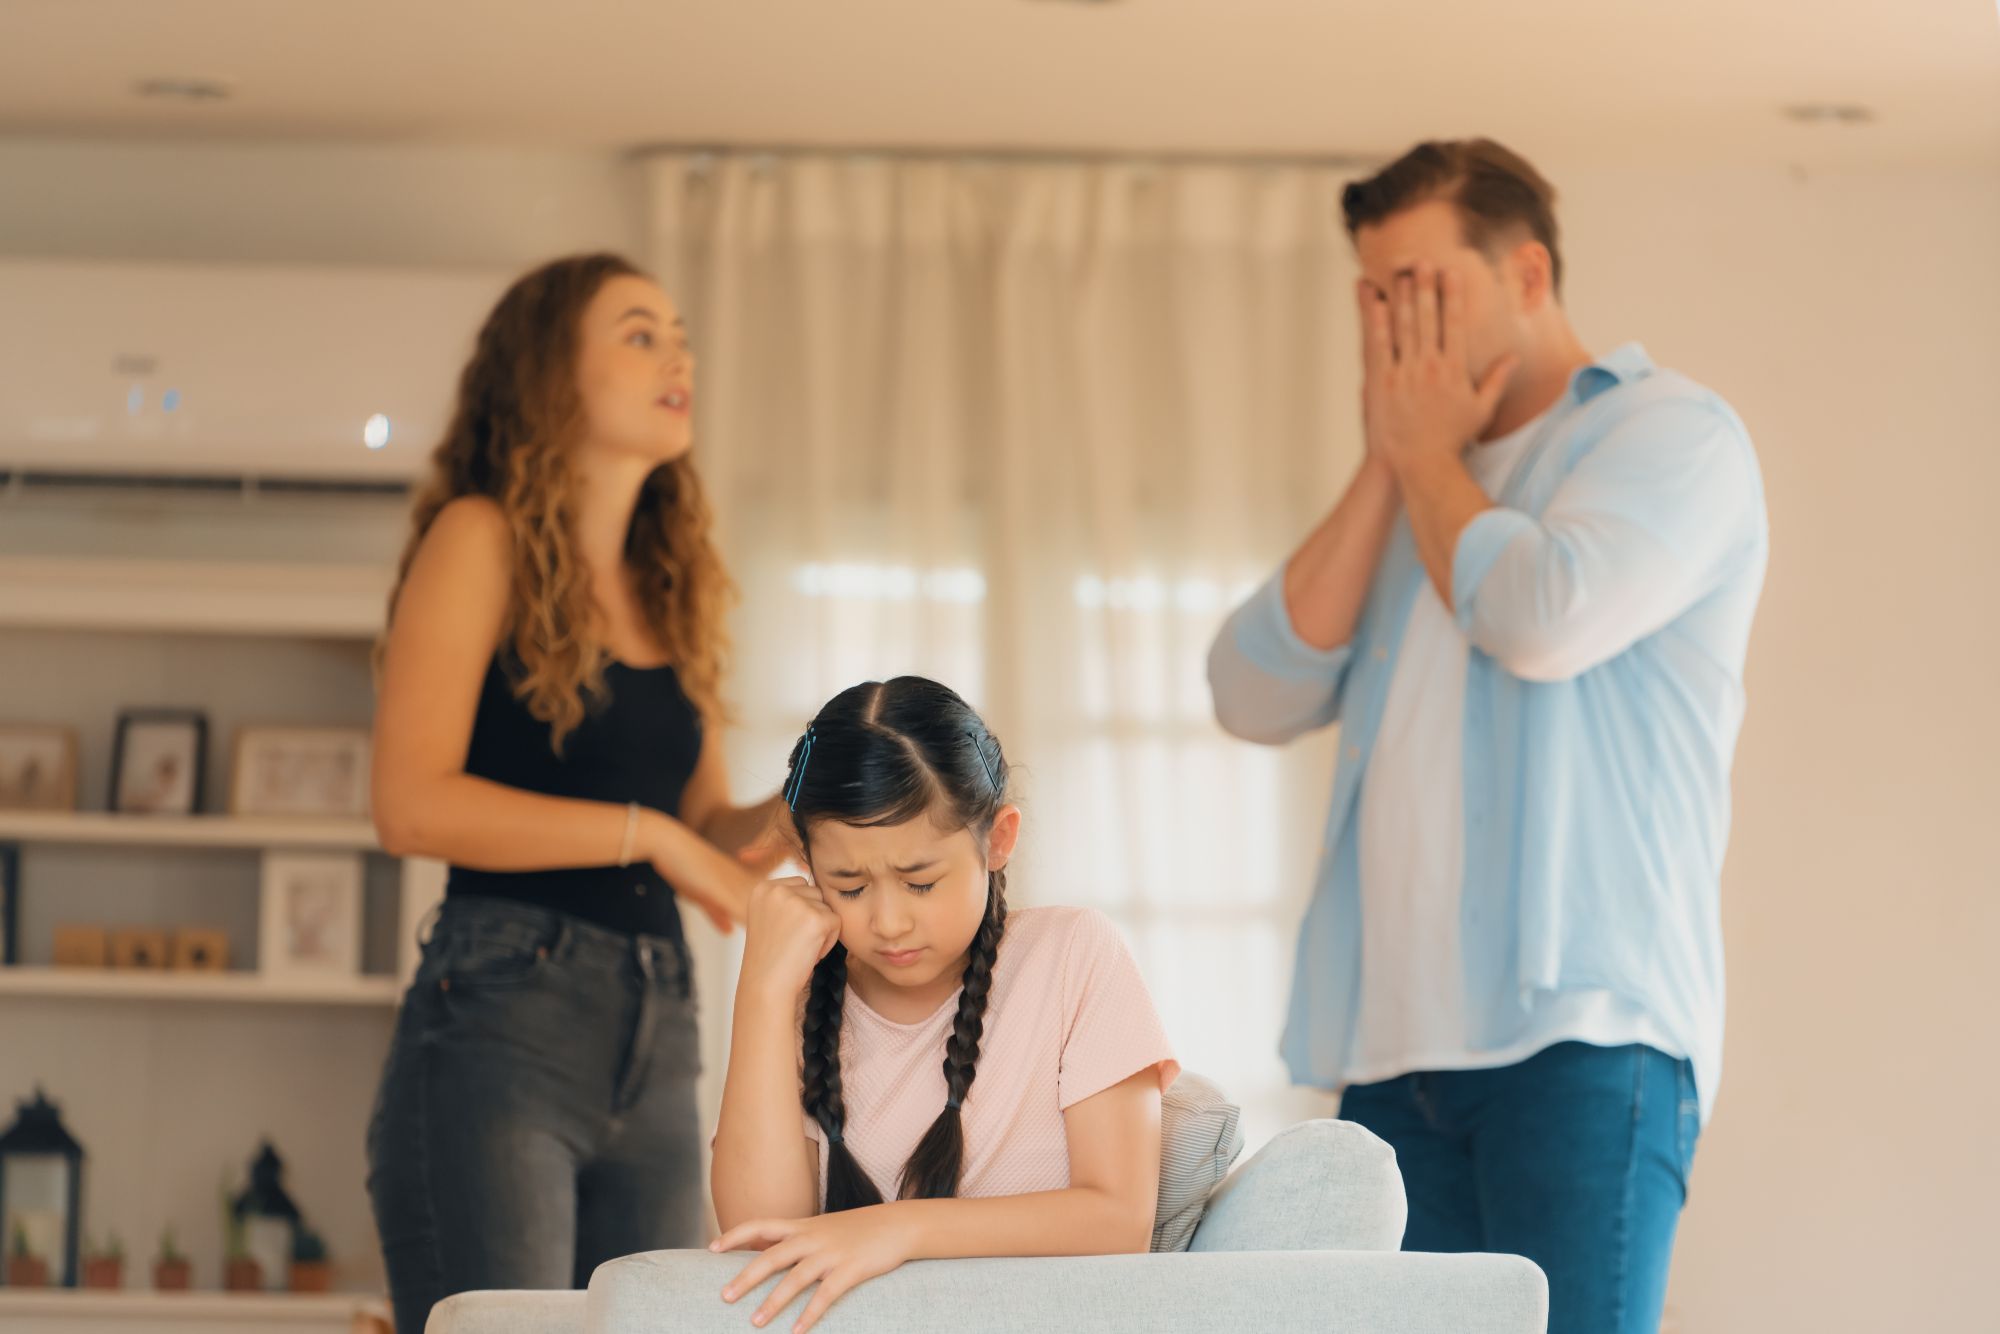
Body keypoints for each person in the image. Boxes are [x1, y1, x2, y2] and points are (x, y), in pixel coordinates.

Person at [1207, 139, 1768, 1334]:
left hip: (1582, 1040)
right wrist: (1390, 458)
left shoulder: (1671, 435)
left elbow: (1541, 614)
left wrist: (1421, 458)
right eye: (1372, 292)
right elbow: (1249, 690)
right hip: (1389, 1059)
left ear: (1524, 274)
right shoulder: (1414, 483)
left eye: (1423, 284)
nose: (1392, 321)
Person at [364, 252, 781, 1334]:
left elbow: (712, 843)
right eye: (639, 332)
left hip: (661, 1029)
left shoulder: (668, 583)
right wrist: (647, 839)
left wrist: (802, 803)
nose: (676, 353)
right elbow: (410, 804)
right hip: (504, 1011)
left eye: (680, 334)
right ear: (549, 373)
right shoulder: (477, 537)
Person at [709, 676, 1177, 1333]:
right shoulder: (798, 992)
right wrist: (760, 990)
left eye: (920, 881)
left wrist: (897, 1229)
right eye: (848, 885)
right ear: (808, 869)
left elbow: (1119, 1218)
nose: (890, 922)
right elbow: (761, 1237)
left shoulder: (1074, 954)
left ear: (998, 840)